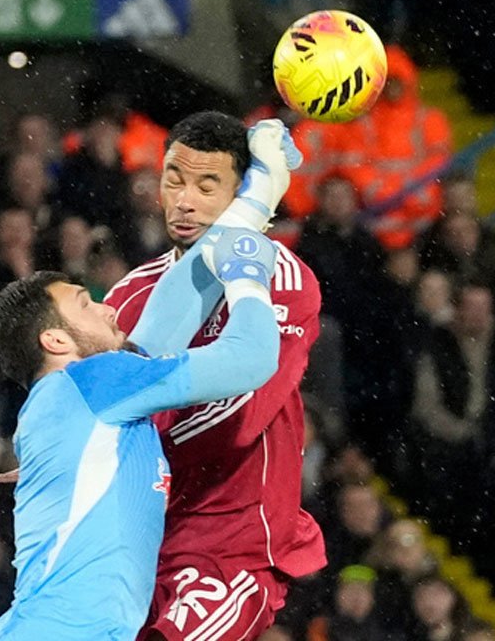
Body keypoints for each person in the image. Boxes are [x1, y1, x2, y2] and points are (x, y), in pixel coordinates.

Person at [0, 123, 296, 639]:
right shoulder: (98, 381)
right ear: (56, 342)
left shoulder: (78, 397)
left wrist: (263, 188)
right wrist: (248, 274)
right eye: (84, 304)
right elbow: (253, 358)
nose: (107, 307)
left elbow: (179, 294)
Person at [105, 111, 326, 640]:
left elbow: (238, 414)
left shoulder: (280, 276)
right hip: (137, 544)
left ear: (240, 193)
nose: (185, 201)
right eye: (173, 180)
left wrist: (121, 434)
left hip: (230, 543)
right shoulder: (128, 296)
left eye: (208, 185)